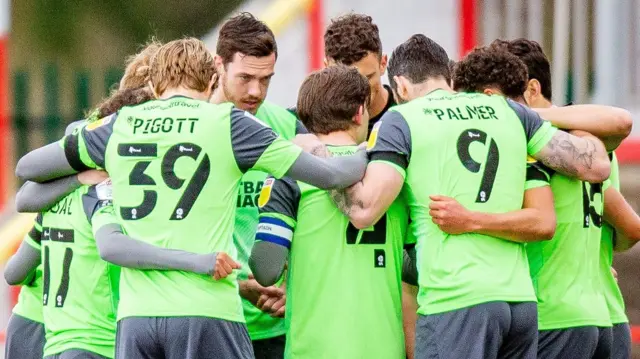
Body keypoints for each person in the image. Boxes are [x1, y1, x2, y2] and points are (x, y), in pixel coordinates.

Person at [15, 37, 367, 359]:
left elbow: (28, 167)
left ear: (154, 85)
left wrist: (83, 175)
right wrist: (379, 148)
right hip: (206, 310)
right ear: (214, 81)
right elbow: (332, 176)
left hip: (136, 319)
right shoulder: (229, 123)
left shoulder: (119, 124)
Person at [328, 34, 611, 359]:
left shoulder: (402, 119)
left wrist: (322, 158)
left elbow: (365, 209)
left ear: (401, 87)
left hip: (456, 301)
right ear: (448, 77)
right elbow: (594, 165)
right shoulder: (507, 111)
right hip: (519, 304)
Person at [449, 45, 632, 359]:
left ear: (531, 88)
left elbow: (542, 222)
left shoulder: (536, 143)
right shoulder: (585, 140)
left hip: (552, 312)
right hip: (600, 313)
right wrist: (596, 261)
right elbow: (629, 228)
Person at [3, 39, 161, 359]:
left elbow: (14, 270)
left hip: (37, 322)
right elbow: (26, 193)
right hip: (86, 336)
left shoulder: (76, 183)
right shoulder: (107, 182)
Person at [250, 65, 409, 359]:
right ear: (361, 112)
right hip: (384, 348)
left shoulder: (291, 173)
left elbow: (266, 267)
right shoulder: (390, 173)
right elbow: (413, 268)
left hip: (313, 348)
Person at [323, 14, 419, 357]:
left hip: (409, 283)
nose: (358, 95)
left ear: (384, 62)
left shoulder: (413, 116)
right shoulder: (307, 123)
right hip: (340, 298)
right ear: (325, 67)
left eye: (368, 79)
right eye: (346, 81)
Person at [210, 13, 306, 358]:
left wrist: (290, 284)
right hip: (216, 319)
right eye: (246, 78)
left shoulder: (286, 126)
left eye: (266, 79)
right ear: (218, 65)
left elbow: (310, 213)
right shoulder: (192, 133)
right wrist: (238, 285)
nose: (256, 91)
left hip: (281, 322)